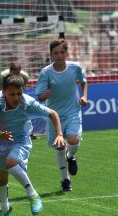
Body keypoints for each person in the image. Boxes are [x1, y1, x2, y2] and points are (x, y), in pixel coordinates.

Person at [0, 74, 65, 216]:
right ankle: (4, 208)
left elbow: (52, 113)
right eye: (12, 94)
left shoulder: (27, 103)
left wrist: (60, 134)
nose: (16, 97)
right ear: (3, 91)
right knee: (0, 180)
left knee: (11, 162)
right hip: (0, 141)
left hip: (20, 140)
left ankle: (33, 195)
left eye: (19, 93)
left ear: (23, 91)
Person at [35, 39, 88, 192]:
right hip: (54, 115)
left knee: (73, 140)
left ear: (66, 53)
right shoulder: (46, 72)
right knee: (59, 147)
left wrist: (84, 96)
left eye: (62, 52)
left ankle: (71, 156)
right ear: (51, 55)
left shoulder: (75, 68)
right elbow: (39, 96)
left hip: (72, 111)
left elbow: (83, 81)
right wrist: (45, 95)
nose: (59, 55)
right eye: (55, 53)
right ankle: (65, 180)